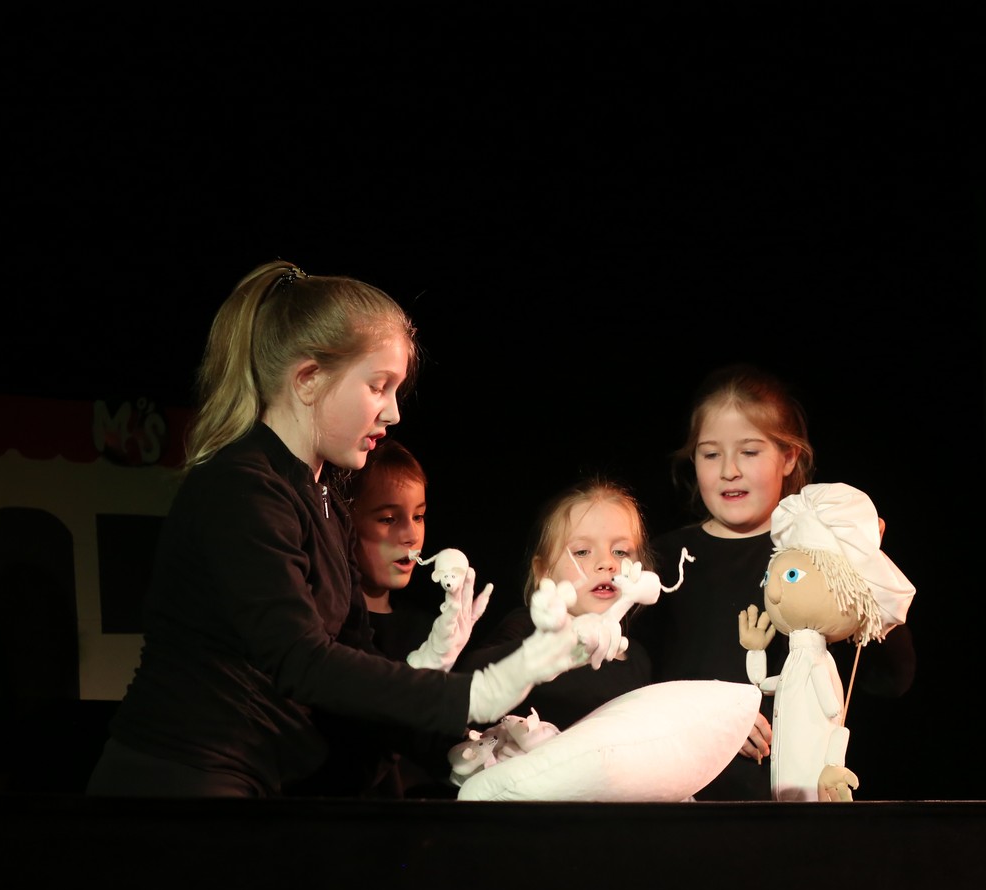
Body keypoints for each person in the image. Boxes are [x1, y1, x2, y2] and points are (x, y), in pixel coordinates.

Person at [86, 260, 590, 798]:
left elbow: (353, 658)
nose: (393, 413)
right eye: (378, 386)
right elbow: (300, 661)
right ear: (308, 379)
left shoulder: (323, 495)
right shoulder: (241, 487)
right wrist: (477, 693)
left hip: (257, 781)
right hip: (178, 781)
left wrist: (456, 743)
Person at [633, 363, 916, 800]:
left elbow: (891, 679)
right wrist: (713, 716)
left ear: (789, 457)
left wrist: (865, 568)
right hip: (685, 798)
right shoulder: (664, 559)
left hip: (798, 800)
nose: (729, 470)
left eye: (749, 452)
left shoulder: (816, 560)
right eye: (710, 454)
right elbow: (629, 689)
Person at [290, 439, 475, 798]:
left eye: (418, 516)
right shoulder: (328, 631)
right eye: (388, 519)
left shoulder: (430, 629)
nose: (410, 535)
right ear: (345, 525)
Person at [456, 476, 656, 733]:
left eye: (620, 552)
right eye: (582, 552)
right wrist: (546, 648)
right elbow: (468, 679)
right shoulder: (530, 628)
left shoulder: (638, 659)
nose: (606, 563)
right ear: (543, 571)